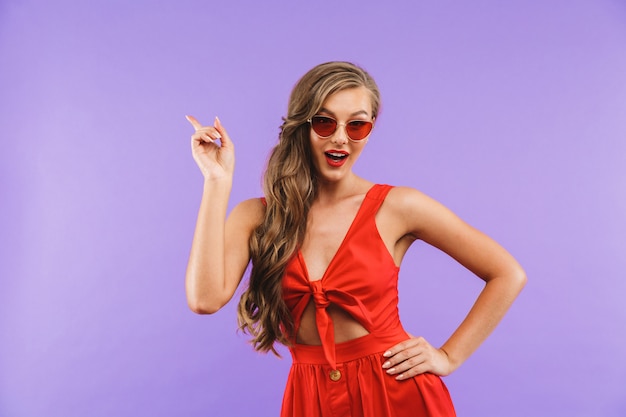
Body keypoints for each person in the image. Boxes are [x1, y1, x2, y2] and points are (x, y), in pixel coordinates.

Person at [185, 61, 526, 417]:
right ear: (303, 126)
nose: (340, 137)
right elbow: (205, 299)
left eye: (357, 125)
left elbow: (507, 273)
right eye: (324, 122)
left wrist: (448, 356)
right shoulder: (256, 216)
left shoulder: (399, 206)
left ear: (370, 129)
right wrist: (216, 181)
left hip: (397, 395)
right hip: (310, 398)